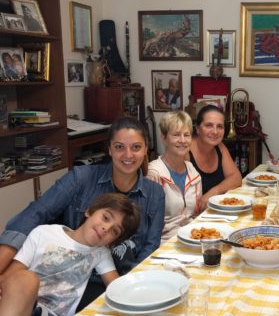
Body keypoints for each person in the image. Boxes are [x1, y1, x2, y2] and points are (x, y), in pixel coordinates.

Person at [0, 116, 165, 308]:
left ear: (146, 149)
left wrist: (132, 289)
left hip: (113, 280)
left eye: (136, 147)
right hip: (65, 279)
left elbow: (150, 248)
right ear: (109, 149)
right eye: (119, 147)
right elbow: (36, 213)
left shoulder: (155, 194)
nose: (128, 155)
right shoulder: (81, 178)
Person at [0, 193, 140, 316]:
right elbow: (12, 275)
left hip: (50, 313)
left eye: (114, 231)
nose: (106, 228)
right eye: (105, 217)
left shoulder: (101, 253)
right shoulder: (43, 233)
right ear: (89, 211)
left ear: (112, 242)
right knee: (27, 278)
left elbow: (116, 287)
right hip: (21, 304)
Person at [147, 111, 202, 242]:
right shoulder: (154, 173)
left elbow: (195, 214)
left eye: (187, 135)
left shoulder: (192, 170)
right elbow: (149, 224)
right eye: (176, 135)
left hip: (192, 237)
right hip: (165, 242)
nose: (183, 140)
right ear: (164, 138)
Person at [188, 105, 242, 210]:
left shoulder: (220, 147)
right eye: (209, 125)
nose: (215, 132)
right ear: (198, 129)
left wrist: (214, 192)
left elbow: (236, 177)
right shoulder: (186, 150)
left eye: (220, 126)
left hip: (212, 211)